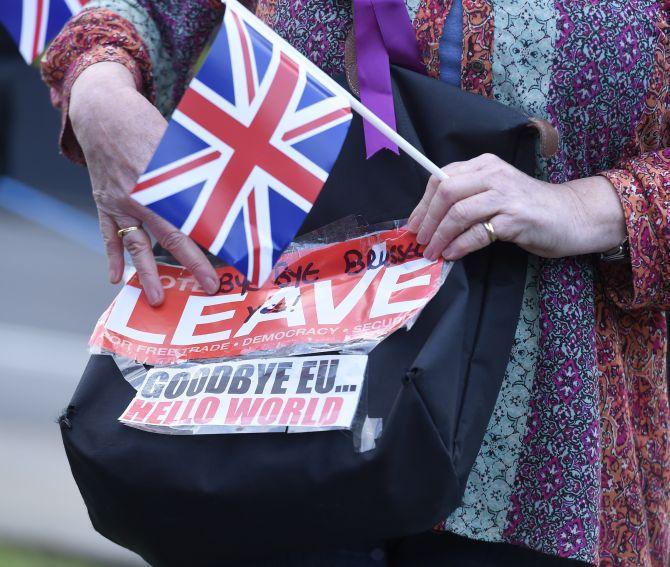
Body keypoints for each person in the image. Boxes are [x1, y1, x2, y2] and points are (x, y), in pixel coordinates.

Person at [41, 1, 669, 565]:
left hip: (540, 463)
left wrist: (587, 205)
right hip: (275, 418)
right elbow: (140, 14)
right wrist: (99, 88)